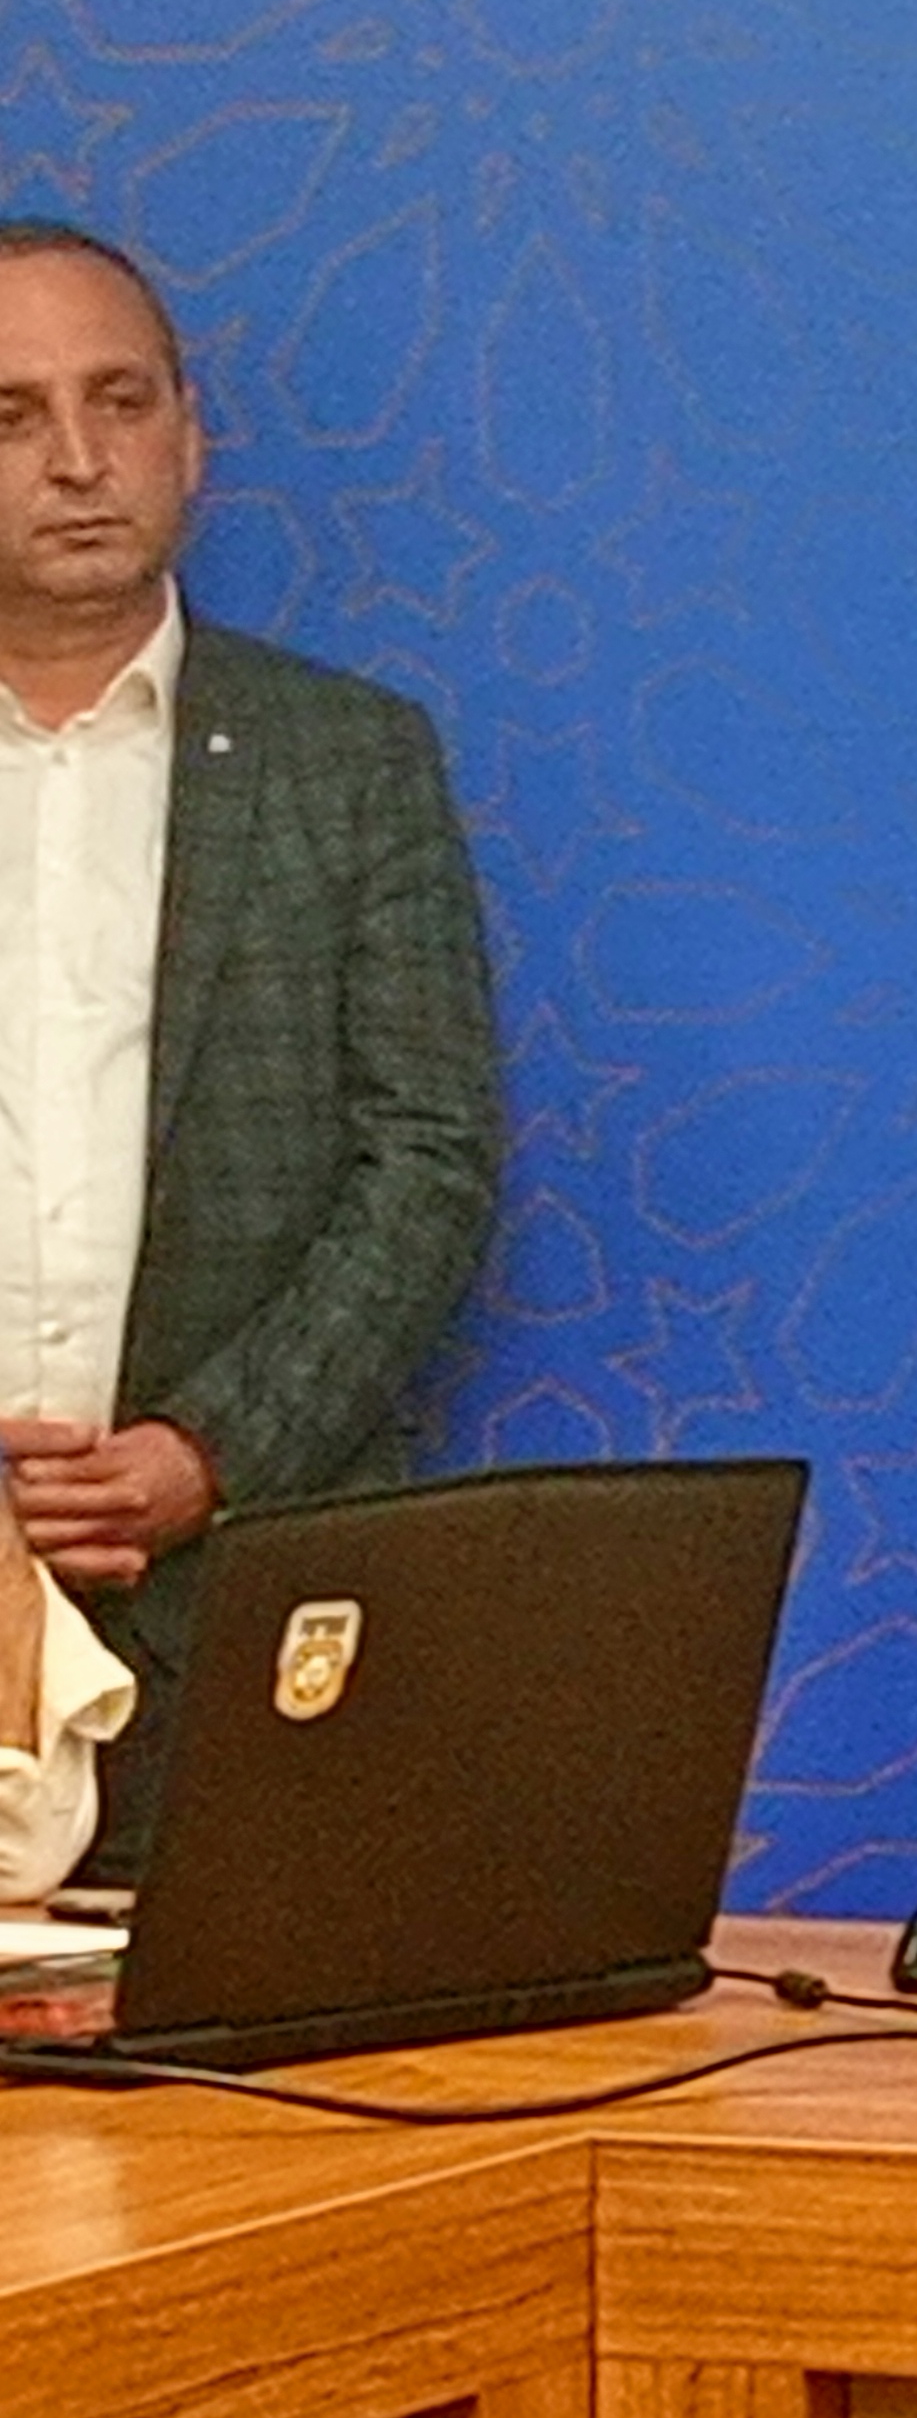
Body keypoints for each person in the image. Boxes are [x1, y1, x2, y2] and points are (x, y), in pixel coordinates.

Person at [0, 220, 499, 1879]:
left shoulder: (345, 762)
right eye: (10, 416)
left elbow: (427, 1161)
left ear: (191, 434)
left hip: (242, 1594)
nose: (78, 461)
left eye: (120, 399)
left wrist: (208, 1453)